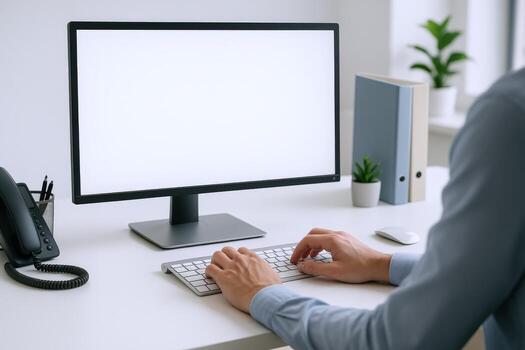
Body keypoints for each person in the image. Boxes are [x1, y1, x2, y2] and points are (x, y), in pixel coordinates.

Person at [205, 67, 525, 350]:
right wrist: (380, 264)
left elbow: (392, 341)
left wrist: (262, 293)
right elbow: (481, 268)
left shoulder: (511, 114)